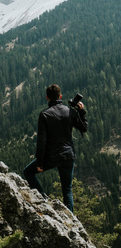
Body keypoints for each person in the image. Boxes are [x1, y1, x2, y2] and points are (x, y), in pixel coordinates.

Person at [24, 84, 88, 212]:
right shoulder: (70, 111)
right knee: (67, 190)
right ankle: (70, 222)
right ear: (60, 96)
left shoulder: (44, 115)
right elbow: (84, 128)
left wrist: (40, 162)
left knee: (28, 172)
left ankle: (43, 200)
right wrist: (81, 112)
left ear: (47, 97)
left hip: (52, 156)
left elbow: (42, 141)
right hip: (68, 155)